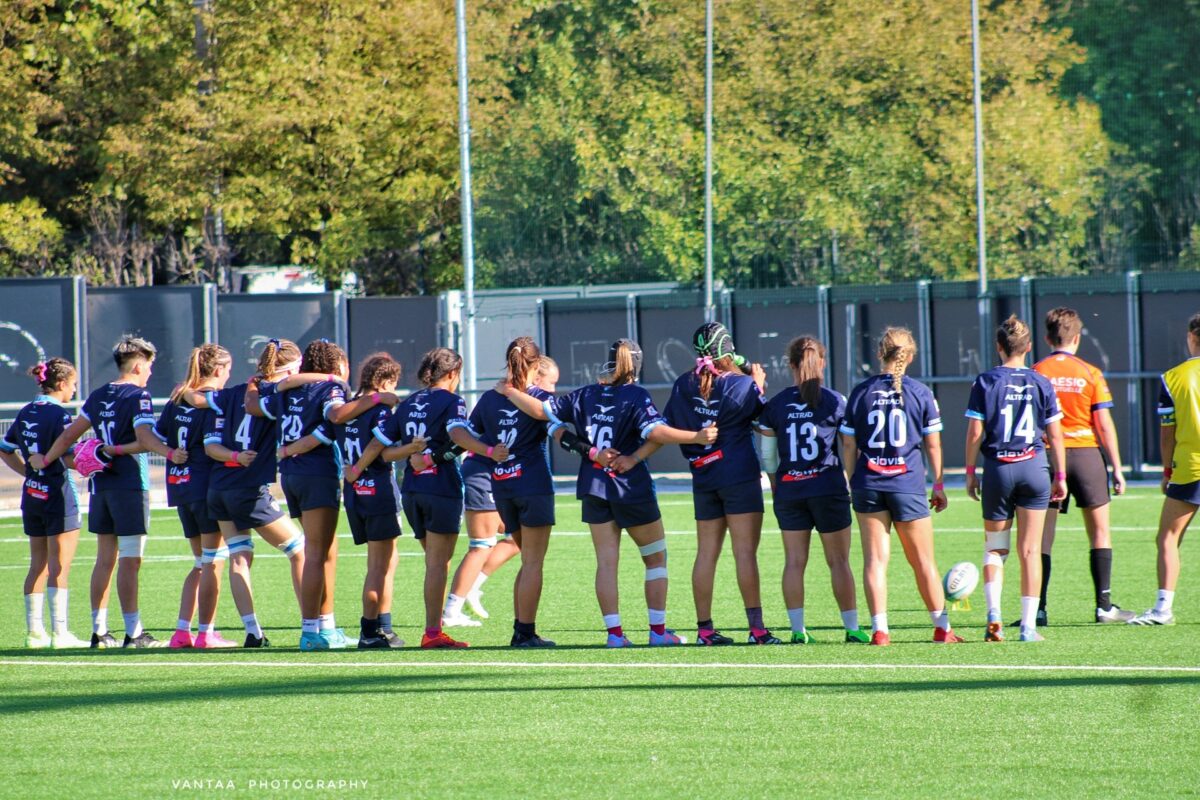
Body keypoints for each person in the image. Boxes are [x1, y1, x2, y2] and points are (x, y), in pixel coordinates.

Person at [501, 338, 716, 647]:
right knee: (655, 560)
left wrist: (511, 389)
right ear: (637, 366)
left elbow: (541, 410)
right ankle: (657, 633)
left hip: (594, 486)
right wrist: (694, 435)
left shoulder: (586, 393)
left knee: (606, 562)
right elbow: (655, 432)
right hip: (630, 487)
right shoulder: (636, 396)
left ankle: (615, 636)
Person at [348, 347, 506, 649]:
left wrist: (363, 466)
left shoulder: (408, 403)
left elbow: (383, 450)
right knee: (438, 564)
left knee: (433, 561)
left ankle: (430, 629)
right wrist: (486, 450)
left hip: (412, 491)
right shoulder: (451, 401)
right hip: (440, 489)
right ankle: (433, 632)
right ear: (451, 374)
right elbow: (459, 434)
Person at [36, 336, 182, 648]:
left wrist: (45, 460)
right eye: (150, 367)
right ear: (139, 365)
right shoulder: (138, 395)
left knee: (105, 559)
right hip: (130, 484)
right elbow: (144, 437)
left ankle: (99, 632)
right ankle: (134, 633)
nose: (151, 373)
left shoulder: (100, 394)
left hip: (101, 486)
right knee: (131, 559)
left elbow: (69, 435)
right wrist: (169, 453)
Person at [253, 339, 397, 650]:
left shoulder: (290, 388)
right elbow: (335, 415)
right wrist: (376, 399)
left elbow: (254, 403)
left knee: (326, 551)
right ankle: (310, 632)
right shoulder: (331, 388)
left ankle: (325, 626)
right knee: (317, 553)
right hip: (316, 474)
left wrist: (289, 448)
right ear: (337, 366)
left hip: (291, 475)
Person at [841, 326, 963, 646]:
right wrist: (938, 483)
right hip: (907, 484)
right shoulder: (921, 392)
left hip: (869, 483)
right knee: (923, 561)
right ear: (909, 357)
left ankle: (880, 630)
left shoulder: (861, 392)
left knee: (875, 561)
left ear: (881, 353)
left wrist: (853, 481)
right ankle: (942, 628)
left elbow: (849, 446)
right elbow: (933, 446)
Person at [664, 322, 781, 645]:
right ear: (727, 348)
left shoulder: (684, 383)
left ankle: (704, 630)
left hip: (703, 477)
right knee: (745, 553)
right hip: (739, 475)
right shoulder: (742, 386)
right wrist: (757, 384)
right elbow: (764, 421)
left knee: (706, 554)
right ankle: (757, 630)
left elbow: (671, 422)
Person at [198, 338, 320, 647]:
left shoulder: (230, 394)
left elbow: (208, 438)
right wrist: (329, 378)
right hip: (248, 488)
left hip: (218, 487)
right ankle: (313, 626)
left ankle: (253, 632)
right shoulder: (274, 395)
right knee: (300, 550)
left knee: (240, 556)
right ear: (292, 368)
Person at [756, 336, 869, 644]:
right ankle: (852, 628)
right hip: (827, 487)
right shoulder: (835, 400)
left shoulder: (776, 404)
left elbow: (767, 455)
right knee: (840, 562)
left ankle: (797, 631)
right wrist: (850, 479)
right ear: (823, 362)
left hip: (791, 490)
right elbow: (848, 444)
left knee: (794, 561)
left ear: (791, 365)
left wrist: (777, 482)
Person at [964, 316, 1067, 643]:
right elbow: (1056, 433)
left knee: (995, 549)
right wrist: (1060, 474)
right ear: (1029, 348)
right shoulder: (1041, 382)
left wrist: (970, 472)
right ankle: (1027, 627)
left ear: (999, 347)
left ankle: (993, 616)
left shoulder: (985, 381)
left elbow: (975, 433)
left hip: (998, 468)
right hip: (1034, 467)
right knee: (1030, 550)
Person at [1032, 306, 1134, 624]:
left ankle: (1038, 608)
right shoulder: (1090, 372)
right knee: (1100, 532)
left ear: (1047, 338)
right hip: (1087, 455)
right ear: (1077, 338)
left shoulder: (1036, 371)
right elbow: (1103, 424)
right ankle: (1104, 606)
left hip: (1049, 457)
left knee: (1041, 539)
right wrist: (1117, 467)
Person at [442, 356, 558, 627]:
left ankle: (476, 586)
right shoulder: (503, 399)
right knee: (482, 545)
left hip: (505, 479)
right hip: (486, 474)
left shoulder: (524, 400)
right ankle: (453, 607)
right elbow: (464, 436)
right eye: (551, 382)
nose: (552, 389)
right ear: (535, 376)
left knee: (518, 543)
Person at [466, 337, 561, 647]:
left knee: (526, 559)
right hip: (532, 485)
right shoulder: (536, 397)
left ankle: (522, 629)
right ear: (535, 366)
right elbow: (551, 417)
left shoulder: (489, 399)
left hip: (503, 487)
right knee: (533, 562)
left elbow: (464, 433)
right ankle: (525, 632)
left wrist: (488, 450)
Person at [326, 353, 424, 647]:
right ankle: (369, 632)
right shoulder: (380, 411)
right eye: (392, 383)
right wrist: (411, 448)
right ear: (383, 382)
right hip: (378, 490)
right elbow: (382, 452)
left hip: (355, 493)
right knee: (379, 566)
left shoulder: (347, 409)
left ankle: (384, 625)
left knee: (385, 561)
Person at [0, 358, 88, 648]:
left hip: (32, 494)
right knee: (59, 565)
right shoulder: (60, 418)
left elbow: (5, 448)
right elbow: (70, 457)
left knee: (38, 564)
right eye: (73, 384)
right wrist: (97, 460)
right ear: (61, 384)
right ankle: (60, 634)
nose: (74, 390)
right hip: (58, 494)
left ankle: (34, 632)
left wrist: (26, 471)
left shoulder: (26, 412)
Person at [155, 344, 238, 648]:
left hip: (179, 487)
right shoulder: (213, 402)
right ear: (218, 370)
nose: (229, 376)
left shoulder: (179, 398)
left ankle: (181, 632)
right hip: (204, 488)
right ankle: (206, 633)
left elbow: (157, 433)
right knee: (213, 562)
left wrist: (167, 452)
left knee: (201, 562)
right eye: (228, 370)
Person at [1130, 312, 1200, 625]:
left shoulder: (1173, 377)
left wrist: (1166, 472)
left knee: (1168, 538)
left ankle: (1162, 608)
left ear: (1192, 338)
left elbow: (1167, 431)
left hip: (1190, 467)